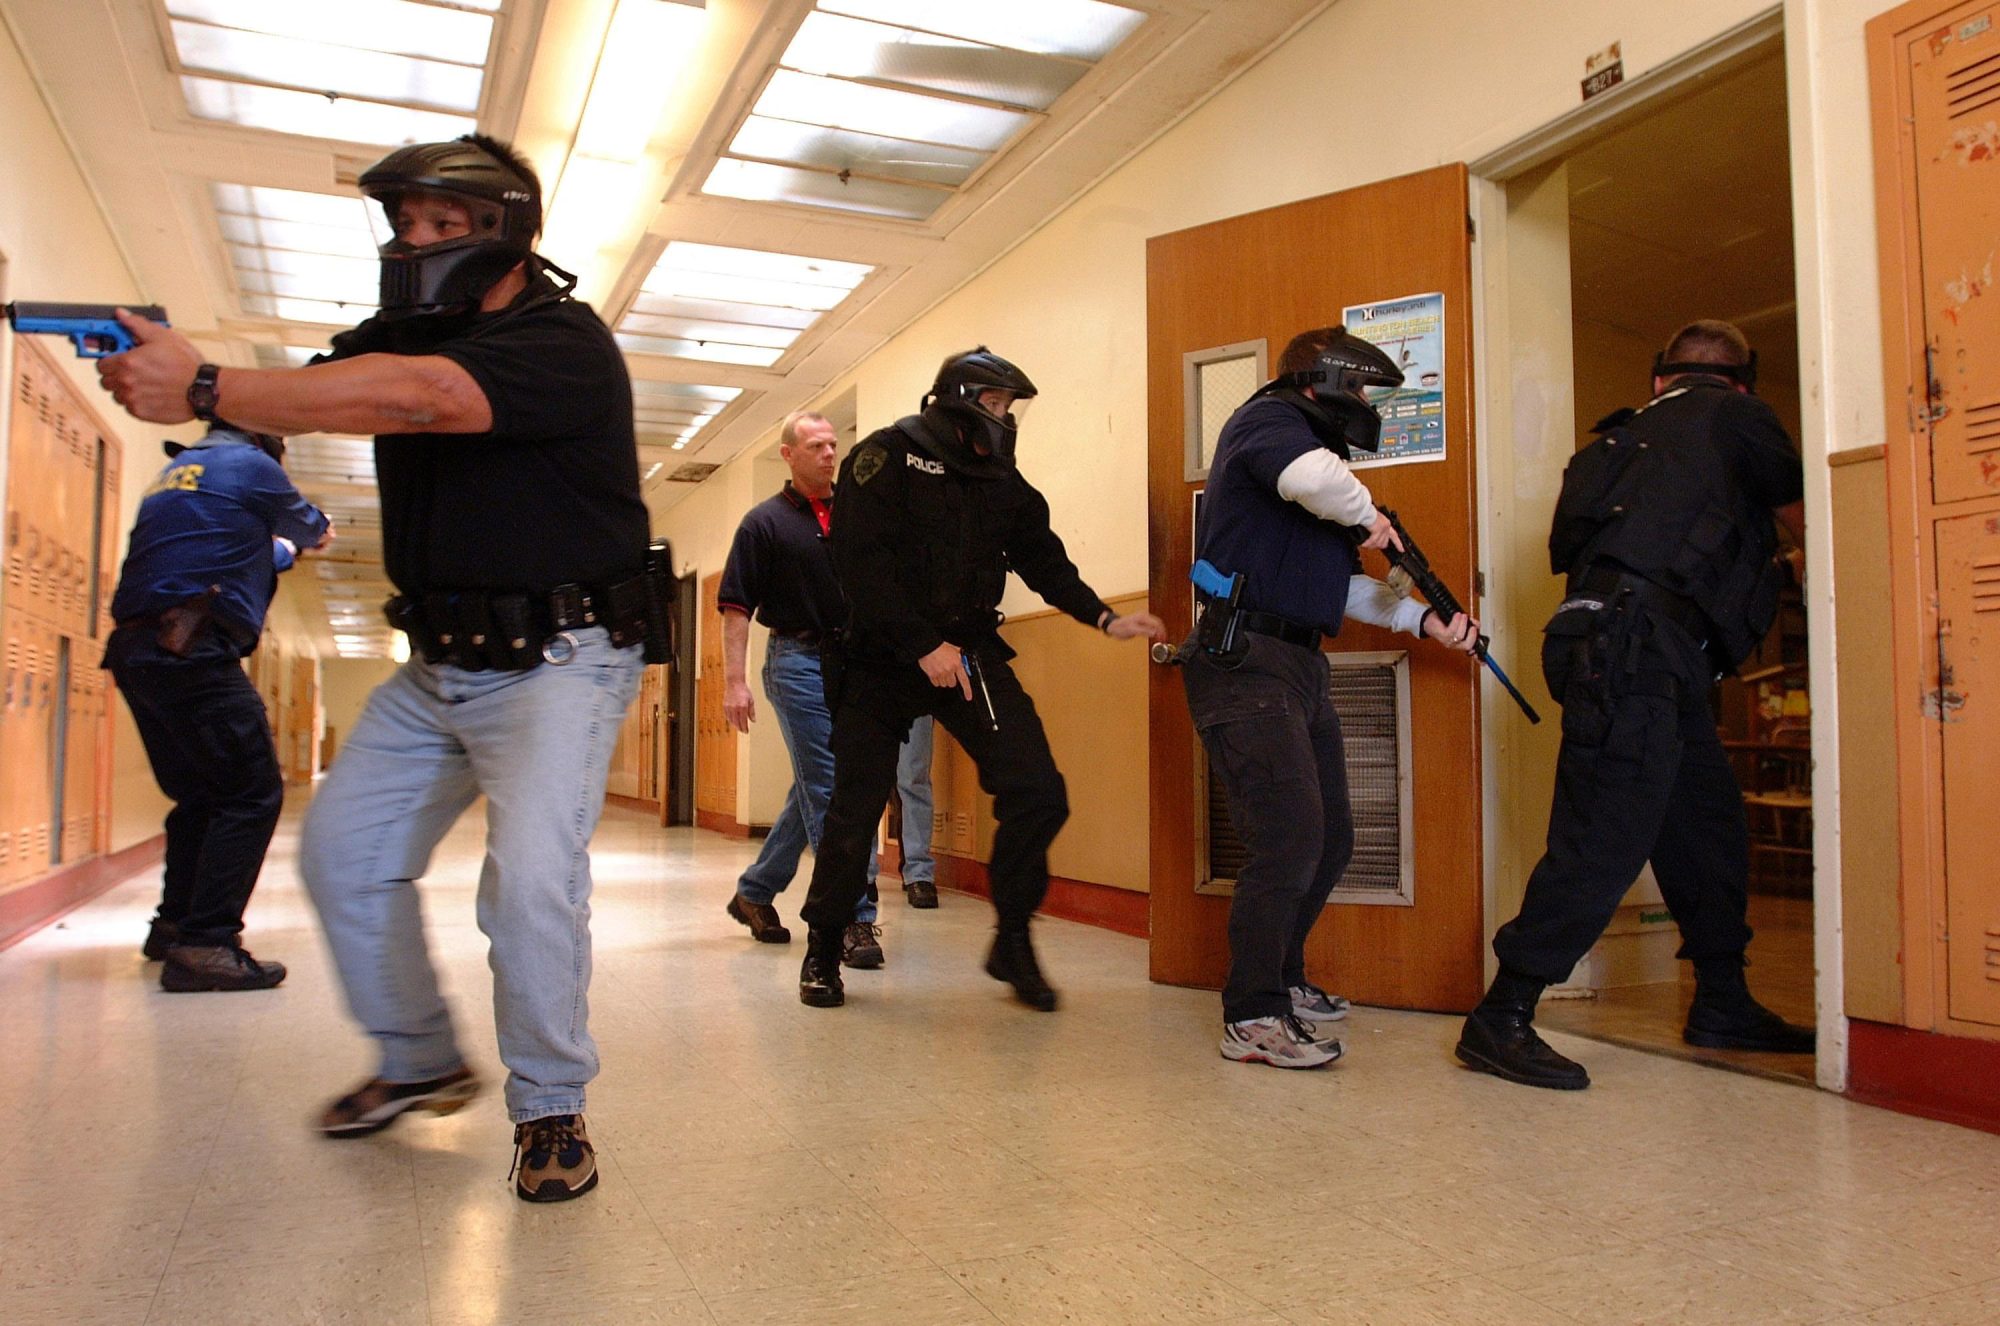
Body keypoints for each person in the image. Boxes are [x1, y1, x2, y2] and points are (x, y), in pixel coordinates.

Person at [97, 134, 658, 1202]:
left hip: (559, 660)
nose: (414, 243)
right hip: (437, 663)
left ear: (504, 230)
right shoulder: (394, 336)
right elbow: (315, 394)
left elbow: (421, 398)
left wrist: (205, 378)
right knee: (341, 857)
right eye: (403, 224)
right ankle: (416, 1060)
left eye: (443, 225)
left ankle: (548, 1107)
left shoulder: (563, 341)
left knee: (531, 882)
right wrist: (171, 366)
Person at [1456, 319, 1812, 1091]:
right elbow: (1802, 517)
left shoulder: (1608, 447)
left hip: (1615, 641)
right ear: (1741, 380)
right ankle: (1502, 1014)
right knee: (1604, 833)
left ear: (1658, 378)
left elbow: (1579, 548)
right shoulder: (1738, 416)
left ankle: (1723, 999)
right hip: (1641, 647)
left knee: (1705, 823)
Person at [795, 348, 1166, 1010]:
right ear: (960, 401)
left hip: (965, 652)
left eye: (1009, 407)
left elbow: (1043, 560)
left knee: (1038, 791)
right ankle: (825, 947)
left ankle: (1013, 939)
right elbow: (859, 563)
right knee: (856, 809)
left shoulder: (1000, 478)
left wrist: (1104, 617)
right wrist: (919, 643)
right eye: (995, 404)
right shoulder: (885, 457)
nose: (1005, 417)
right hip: (881, 656)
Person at [1179, 327, 1479, 1069]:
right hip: (1244, 661)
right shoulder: (1269, 421)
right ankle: (1252, 1017)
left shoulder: (1319, 471)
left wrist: (1425, 619)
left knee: (1329, 836)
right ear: (1332, 382)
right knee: (1287, 839)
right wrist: (1371, 519)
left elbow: (1341, 588)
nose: (1372, 407)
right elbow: (1319, 484)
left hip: (1298, 665)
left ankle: (1283, 980)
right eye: (1370, 393)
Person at [103, 424, 331, 992]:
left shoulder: (176, 475)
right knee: (252, 793)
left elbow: (236, 548)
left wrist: (275, 550)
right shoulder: (253, 466)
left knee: (202, 795)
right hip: (193, 646)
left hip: (140, 649)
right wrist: (305, 531)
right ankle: (206, 943)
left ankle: (174, 926)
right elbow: (312, 529)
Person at [719, 410, 889, 967]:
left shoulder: (856, 513)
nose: (828, 454)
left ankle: (755, 890)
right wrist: (734, 682)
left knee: (814, 789)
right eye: (815, 445)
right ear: (788, 455)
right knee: (835, 788)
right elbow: (737, 607)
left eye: (833, 444)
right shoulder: (762, 523)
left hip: (855, 661)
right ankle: (855, 918)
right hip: (795, 662)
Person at [892, 716, 938, 907]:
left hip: (917, 692)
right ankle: (864, 876)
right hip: (865, 690)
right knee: (868, 779)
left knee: (914, 777)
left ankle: (919, 874)